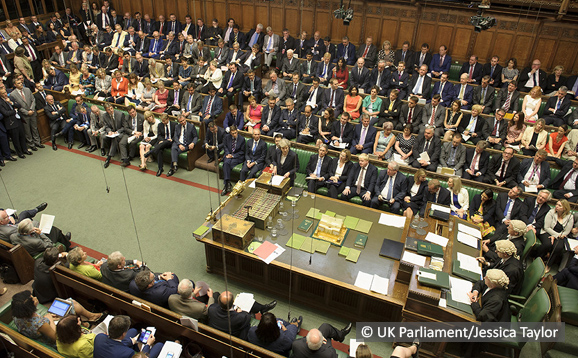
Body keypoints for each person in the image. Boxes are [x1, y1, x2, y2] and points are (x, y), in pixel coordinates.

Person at [12, 290, 103, 345]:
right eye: (33, 298)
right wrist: (50, 320)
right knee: (71, 305)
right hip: (52, 341)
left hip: (43, 327)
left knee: (70, 303)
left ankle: (88, 319)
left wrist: (47, 318)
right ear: (30, 307)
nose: (35, 297)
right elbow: (56, 338)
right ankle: (89, 319)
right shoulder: (40, 324)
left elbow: (34, 323)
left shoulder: (18, 315)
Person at [207, 291, 276, 340]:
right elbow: (247, 317)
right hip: (234, 337)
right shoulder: (240, 317)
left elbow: (213, 306)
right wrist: (239, 312)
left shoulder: (212, 309)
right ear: (233, 301)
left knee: (215, 294)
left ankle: (263, 308)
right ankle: (263, 308)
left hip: (217, 334)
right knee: (249, 306)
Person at [93, 315, 163, 358]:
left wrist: (133, 340)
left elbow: (114, 344)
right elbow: (141, 356)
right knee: (159, 345)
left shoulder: (99, 337)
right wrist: (148, 344)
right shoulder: (128, 353)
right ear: (123, 334)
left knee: (133, 331)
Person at [535, 199, 574, 270]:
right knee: (547, 244)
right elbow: (546, 227)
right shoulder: (551, 212)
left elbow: (567, 231)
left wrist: (558, 236)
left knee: (558, 247)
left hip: (561, 236)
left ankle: (548, 264)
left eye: (559, 205)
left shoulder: (570, 217)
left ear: (565, 208)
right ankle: (537, 259)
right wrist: (556, 235)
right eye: (556, 204)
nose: (556, 206)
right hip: (547, 232)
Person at [221, 125, 245, 195]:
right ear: (230, 133)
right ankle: (227, 184)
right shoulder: (227, 137)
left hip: (237, 157)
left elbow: (242, 152)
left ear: (237, 131)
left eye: (235, 133)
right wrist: (228, 154)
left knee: (226, 164)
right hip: (228, 155)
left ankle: (226, 185)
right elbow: (225, 147)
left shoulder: (241, 139)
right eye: (232, 133)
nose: (234, 135)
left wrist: (233, 156)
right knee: (226, 163)